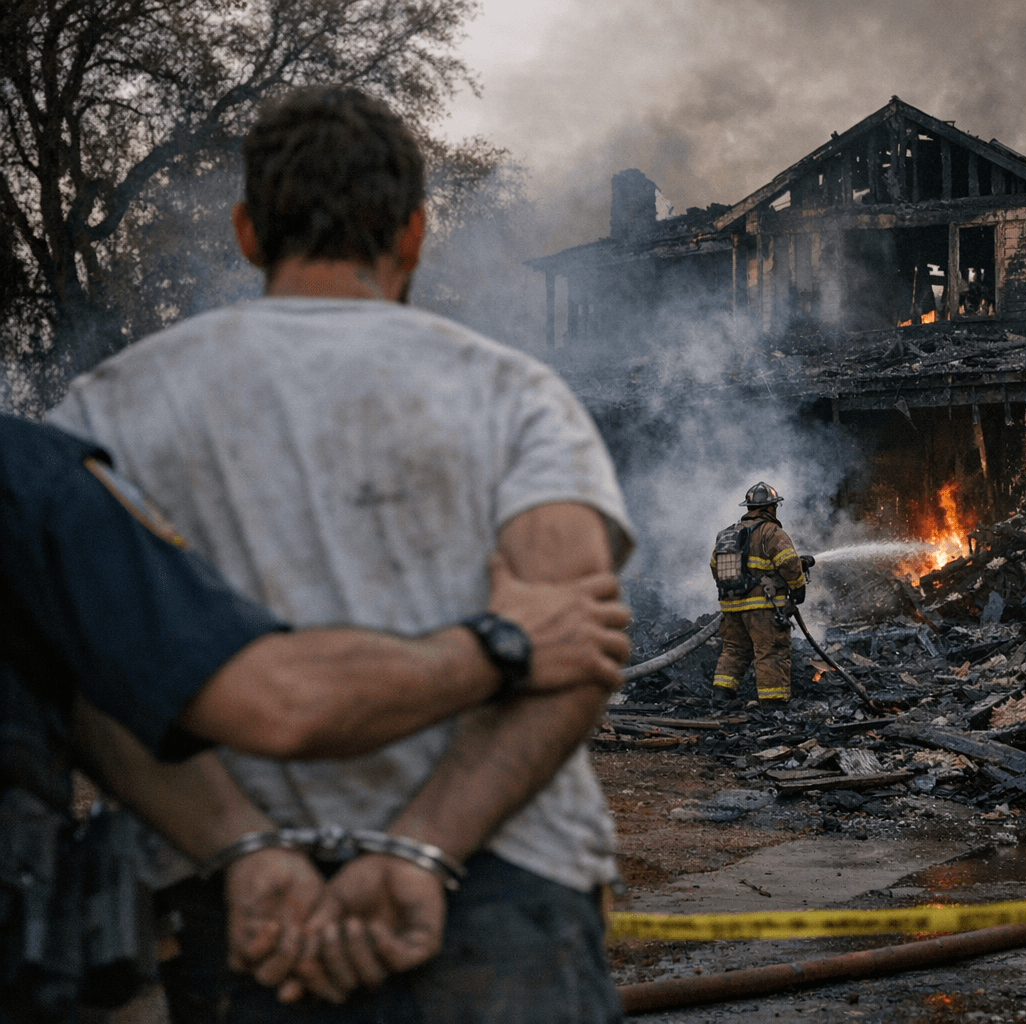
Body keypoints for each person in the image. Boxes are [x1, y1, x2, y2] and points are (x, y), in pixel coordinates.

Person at [47, 86, 634, 1022]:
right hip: (500, 896)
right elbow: (578, 645)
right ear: (413, 232)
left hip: (236, 912)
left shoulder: (109, 409)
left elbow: (90, 675)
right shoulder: (516, 396)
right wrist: (422, 849)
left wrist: (244, 849)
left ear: (247, 231)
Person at [0, 413, 632, 1020]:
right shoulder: (29, 474)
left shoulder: (78, 431)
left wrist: (239, 847)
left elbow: (102, 698)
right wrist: (508, 643)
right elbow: (276, 702)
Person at [709, 482, 808, 703]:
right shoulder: (770, 532)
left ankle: (721, 696)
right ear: (771, 507)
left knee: (733, 650)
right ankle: (774, 707)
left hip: (731, 607)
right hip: (762, 609)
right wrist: (798, 587)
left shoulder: (728, 534)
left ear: (749, 507)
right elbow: (789, 563)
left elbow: (715, 566)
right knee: (771, 652)